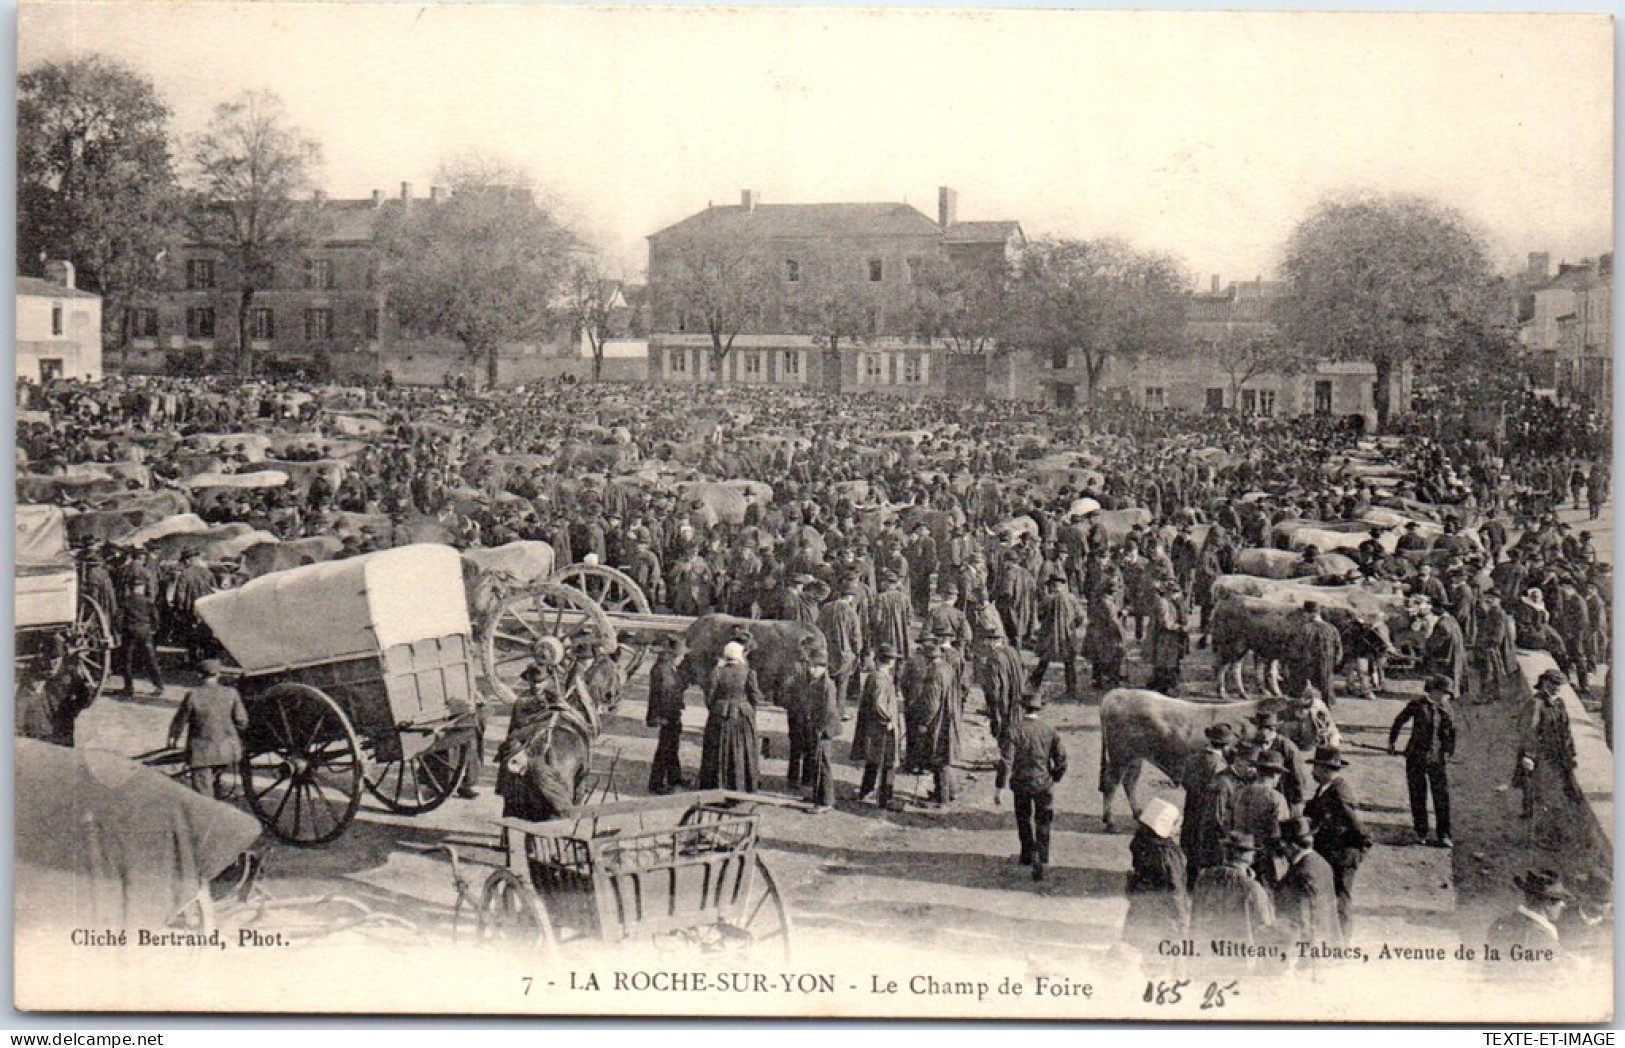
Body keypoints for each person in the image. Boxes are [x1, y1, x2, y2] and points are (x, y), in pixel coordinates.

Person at [997, 689, 1067, 882]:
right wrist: (1054, 777)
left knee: (1023, 819)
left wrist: (1000, 786)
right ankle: (1042, 859)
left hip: (1021, 783)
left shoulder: (1014, 729)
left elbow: (1006, 760)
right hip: (1043, 783)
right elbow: (1061, 760)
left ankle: (1027, 854)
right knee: (1044, 821)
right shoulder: (1049, 730)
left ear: (1022, 708)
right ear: (1039, 709)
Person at [1304, 746, 1372, 935]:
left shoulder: (1339, 793)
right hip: (1333, 853)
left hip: (1342, 856)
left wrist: (1357, 854)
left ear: (1325, 769)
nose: (1312, 772)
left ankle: (1343, 945)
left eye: (1315, 767)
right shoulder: (1326, 788)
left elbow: (1358, 828)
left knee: (1341, 900)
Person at [166, 659, 248, 801]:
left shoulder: (193, 695)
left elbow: (180, 720)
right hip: (227, 751)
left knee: (203, 797)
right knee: (215, 782)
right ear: (219, 674)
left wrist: (173, 737)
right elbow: (242, 721)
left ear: (199, 675)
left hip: (201, 753)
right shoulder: (231, 693)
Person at [1389, 675, 1457, 848]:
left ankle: (1444, 834)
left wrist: (1449, 751)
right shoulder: (1417, 705)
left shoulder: (1446, 708)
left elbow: (1451, 732)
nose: (1446, 697)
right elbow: (1399, 720)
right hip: (1415, 757)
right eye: (1444, 693)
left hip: (1437, 759)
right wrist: (1392, 742)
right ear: (1435, 691)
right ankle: (1421, 832)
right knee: (1417, 795)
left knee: (1441, 797)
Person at [1513, 669, 1585, 822]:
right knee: (1541, 793)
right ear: (1545, 683)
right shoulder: (1536, 704)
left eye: (1559, 685)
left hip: (1558, 754)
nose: (1557, 688)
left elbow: (1566, 729)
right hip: (1541, 756)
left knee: (1563, 791)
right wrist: (1529, 756)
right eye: (1554, 684)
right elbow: (1528, 731)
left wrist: (1570, 752)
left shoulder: (1558, 703)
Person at [1122, 797, 1191, 955]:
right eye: (1176, 824)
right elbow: (1175, 888)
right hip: (1163, 915)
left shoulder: (1141, 842)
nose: (1179, 828)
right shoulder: (1167, 854)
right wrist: (1182, 918)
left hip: (1140, 908)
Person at [1190, 831, 1276, 948]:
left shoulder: (1203, 878)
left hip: (1205, 951)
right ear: (1248, 856)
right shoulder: (1251, 887)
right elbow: (1265, 927)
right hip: (1238, 954)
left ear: (1226, 853)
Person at [1181, 723, 1239, 889]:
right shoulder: (1220, 766)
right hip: (1209, 817)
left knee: (1192, 854)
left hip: (1191, 812)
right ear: (1226, 745)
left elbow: (1185, 783)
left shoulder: (1192, 759)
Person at [699, 641, 761, 792]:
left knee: (718, 750)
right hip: (742, 715)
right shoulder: (748, 672)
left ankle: (717, 785)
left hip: (720, 715)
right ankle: (743, 786)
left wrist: (716, 710)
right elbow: (755, 697)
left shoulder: (717, 671)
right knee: (742, 751)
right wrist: (748, 710)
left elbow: (709, 696)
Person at [1275, 815, 1342, 947]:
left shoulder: (1301, 873)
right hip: (1328, 940)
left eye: (1283, 844)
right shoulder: (1320, 861)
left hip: (1310, 948)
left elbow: (1304, 918)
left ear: (1293, 846)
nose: (1282, 849)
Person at [856, 643, 904, 809]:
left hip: (872, 727)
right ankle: (885, 799)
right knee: (888, 763)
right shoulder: (882, 680)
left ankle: (866, 790)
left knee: (873, 760)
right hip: (882, 728)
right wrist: (888, 720)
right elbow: (878, 705)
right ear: (891, 662)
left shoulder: (873, 676)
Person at [1485, 869, 1575, 958]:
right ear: (1548, 903)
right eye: (1561, 901)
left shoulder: (1502, 922)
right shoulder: (1540, 937)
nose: (1563, 905)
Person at [1029, 572, 1086, 701]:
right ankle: (1071, 690)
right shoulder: (1072, 598)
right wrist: (1072, 627)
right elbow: (1081, 617)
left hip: (1049, 636)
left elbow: (1040, 615)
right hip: (1067, 636)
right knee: (1069, 663)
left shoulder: (1047, 599)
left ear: (1053, 585)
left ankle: (1034, 683)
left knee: (1044, 660)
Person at [645, 636, 688, 794]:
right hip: (667, 715)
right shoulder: (664, 670)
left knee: (671, 747)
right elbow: (665, 694)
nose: (682, 658)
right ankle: (656, 783)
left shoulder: (667, 667)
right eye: (681, 655)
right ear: (674, 655)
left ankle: (674, 778)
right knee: (665, 749)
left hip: (671, 714)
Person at [802, 651, 844, 813]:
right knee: (816, 761)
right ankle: (817, 796)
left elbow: (830, 710)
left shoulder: (827, 685)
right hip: (816, 727)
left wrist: (821, 729)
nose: (811, 670)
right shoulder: (815, 681)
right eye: (810, 666)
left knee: (823, 764)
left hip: (824, 730)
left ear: (823, 668)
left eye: (815, 667)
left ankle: (826, 801)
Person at [117, 578, 165, 697]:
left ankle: (129, 687)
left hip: (130, 632)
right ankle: (159, 686)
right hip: (145, 631)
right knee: (150, 659)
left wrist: (119, 630)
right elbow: (156, 617)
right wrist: (154, 628)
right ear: (141, 588)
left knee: (127, 661)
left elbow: (118, 619)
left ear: (131, 588)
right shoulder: (148, 601)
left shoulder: (126, 601)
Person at [1294, 602, 1343, 707]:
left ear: (1311, 613)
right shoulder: (1332, 628)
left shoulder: (1305, 628)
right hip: (1327, 664)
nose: (1305, 616)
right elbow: (1339, 649)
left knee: (1307, 690)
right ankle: (1328, 709)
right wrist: (1334, 662)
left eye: (1306, 614)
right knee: (1327, 688)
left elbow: (1297, 647)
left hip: (1308, 664)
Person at [1146, 577, 1188, 695]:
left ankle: (1162, 684)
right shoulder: (1163, 603)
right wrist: (1180, 628)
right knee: (1166, 662)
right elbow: (1166, 623)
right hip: (1165, 637)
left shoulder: (1170, 602)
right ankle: (1165, 687)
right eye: (1174, 592)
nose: (1177, 595)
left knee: (1168, 661)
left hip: (1170, 637)